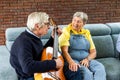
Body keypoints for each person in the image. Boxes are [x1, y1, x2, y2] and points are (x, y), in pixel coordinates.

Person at [10, 12, 63, 80]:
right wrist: (53, 63)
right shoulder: (24, 42)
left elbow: (40, 53)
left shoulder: (33, 37)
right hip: (29, 77)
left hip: (37, 73)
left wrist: (53, 38)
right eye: (47, 24)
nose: (49, 27)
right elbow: (28, 67)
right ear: (37, 26)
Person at [59, 12, 106, 80]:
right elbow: (64, 51)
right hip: (73, 60)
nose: (75, 23)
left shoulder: (86, 33)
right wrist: (71, 62)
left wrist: (87, 59)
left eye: (79, 22)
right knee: (86, 73)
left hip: (86, 59)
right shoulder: (66, 31)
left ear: (83, 24)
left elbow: (93, 52)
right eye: (74, 20)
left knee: (100, 68)